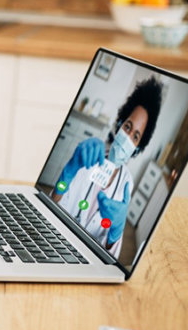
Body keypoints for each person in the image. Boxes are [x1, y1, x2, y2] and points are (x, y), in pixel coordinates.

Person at [52, 77, 163, 256]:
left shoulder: (126, 184)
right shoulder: (88, 156)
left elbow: (108, 254)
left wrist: (115, 233)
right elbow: (55, 204)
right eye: (128, 126)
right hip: (56, 239)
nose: (128, 138)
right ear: (119, 125)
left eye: (135, 137)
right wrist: (69, 172)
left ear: (138, 148)